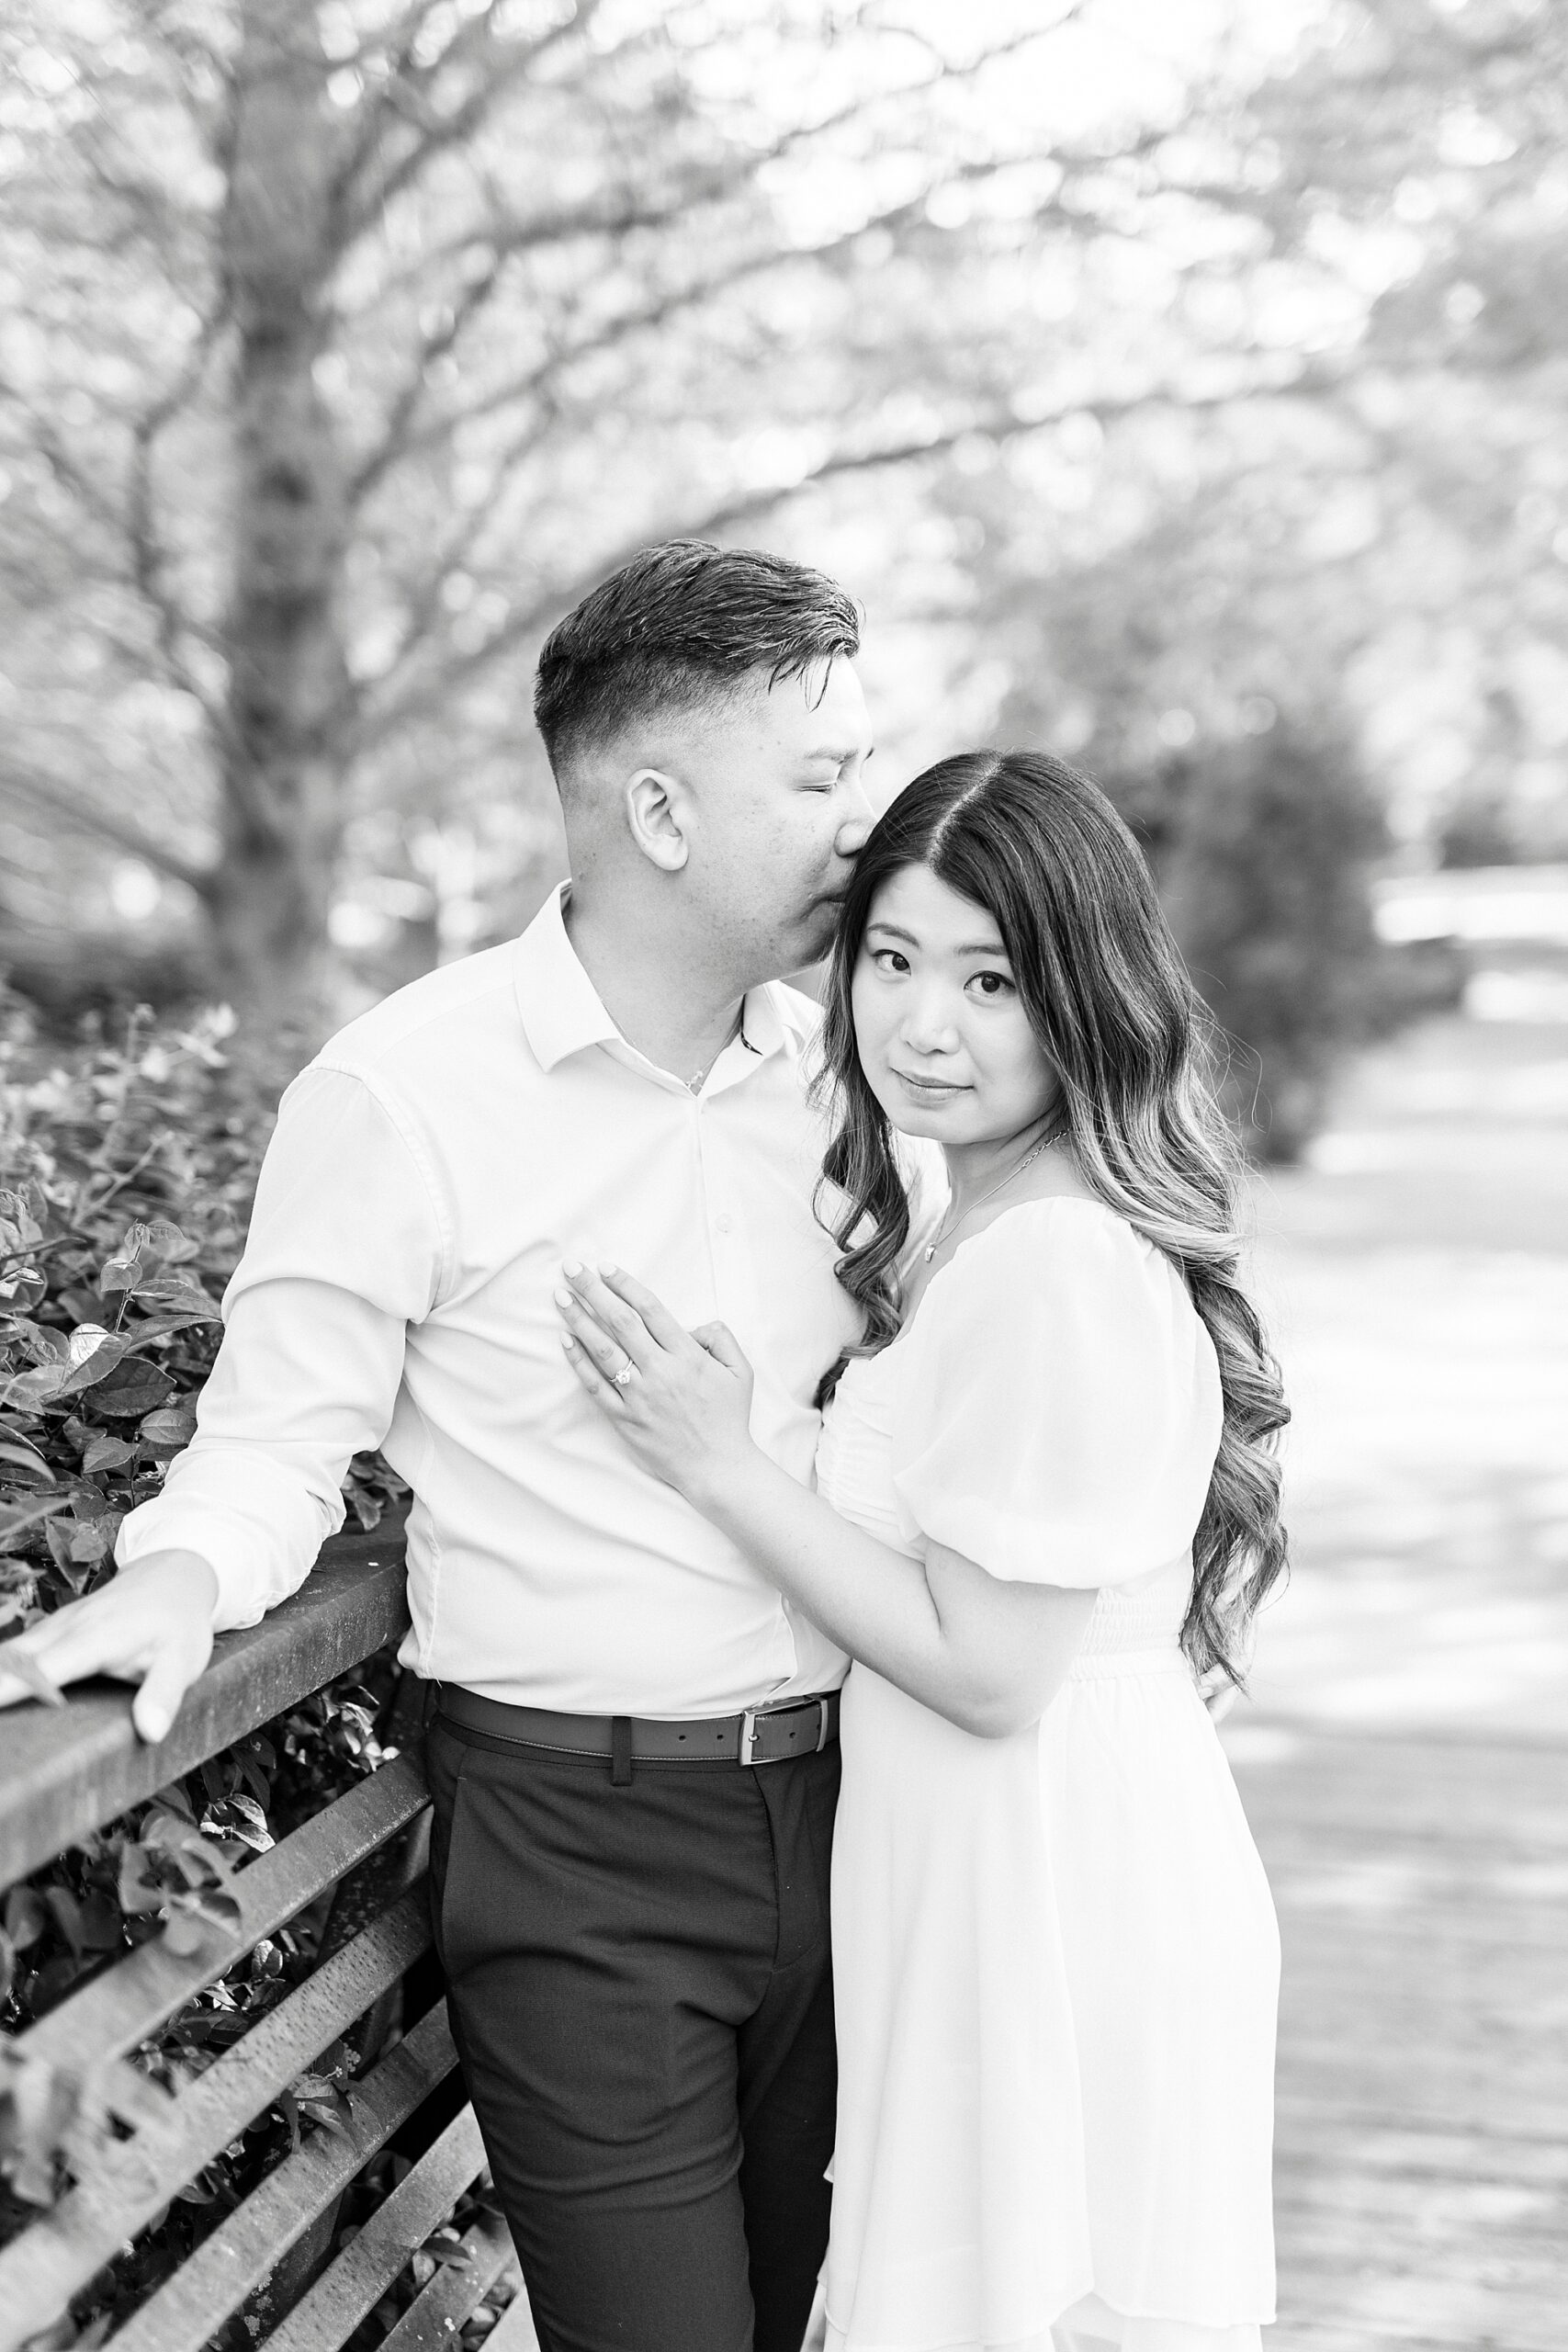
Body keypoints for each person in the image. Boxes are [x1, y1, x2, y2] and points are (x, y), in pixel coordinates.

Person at [0, 541, 895, 2352]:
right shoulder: (405, 1092)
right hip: (583, 1847)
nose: (861, 822)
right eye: (817, 779)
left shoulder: (861, 1078)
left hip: (880, 1814)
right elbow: (276, 1431)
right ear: (657, 806)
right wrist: (175, 1575)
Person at [557, 748, 1289, 2352]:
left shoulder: (1057, 1263)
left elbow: (994, 1670)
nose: (923, 1024)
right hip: (983, 1879)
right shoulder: (969, 1219)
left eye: (992, 979)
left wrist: (719, 1466)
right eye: (892, 960)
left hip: (1050, 1895)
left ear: (1085, 997)